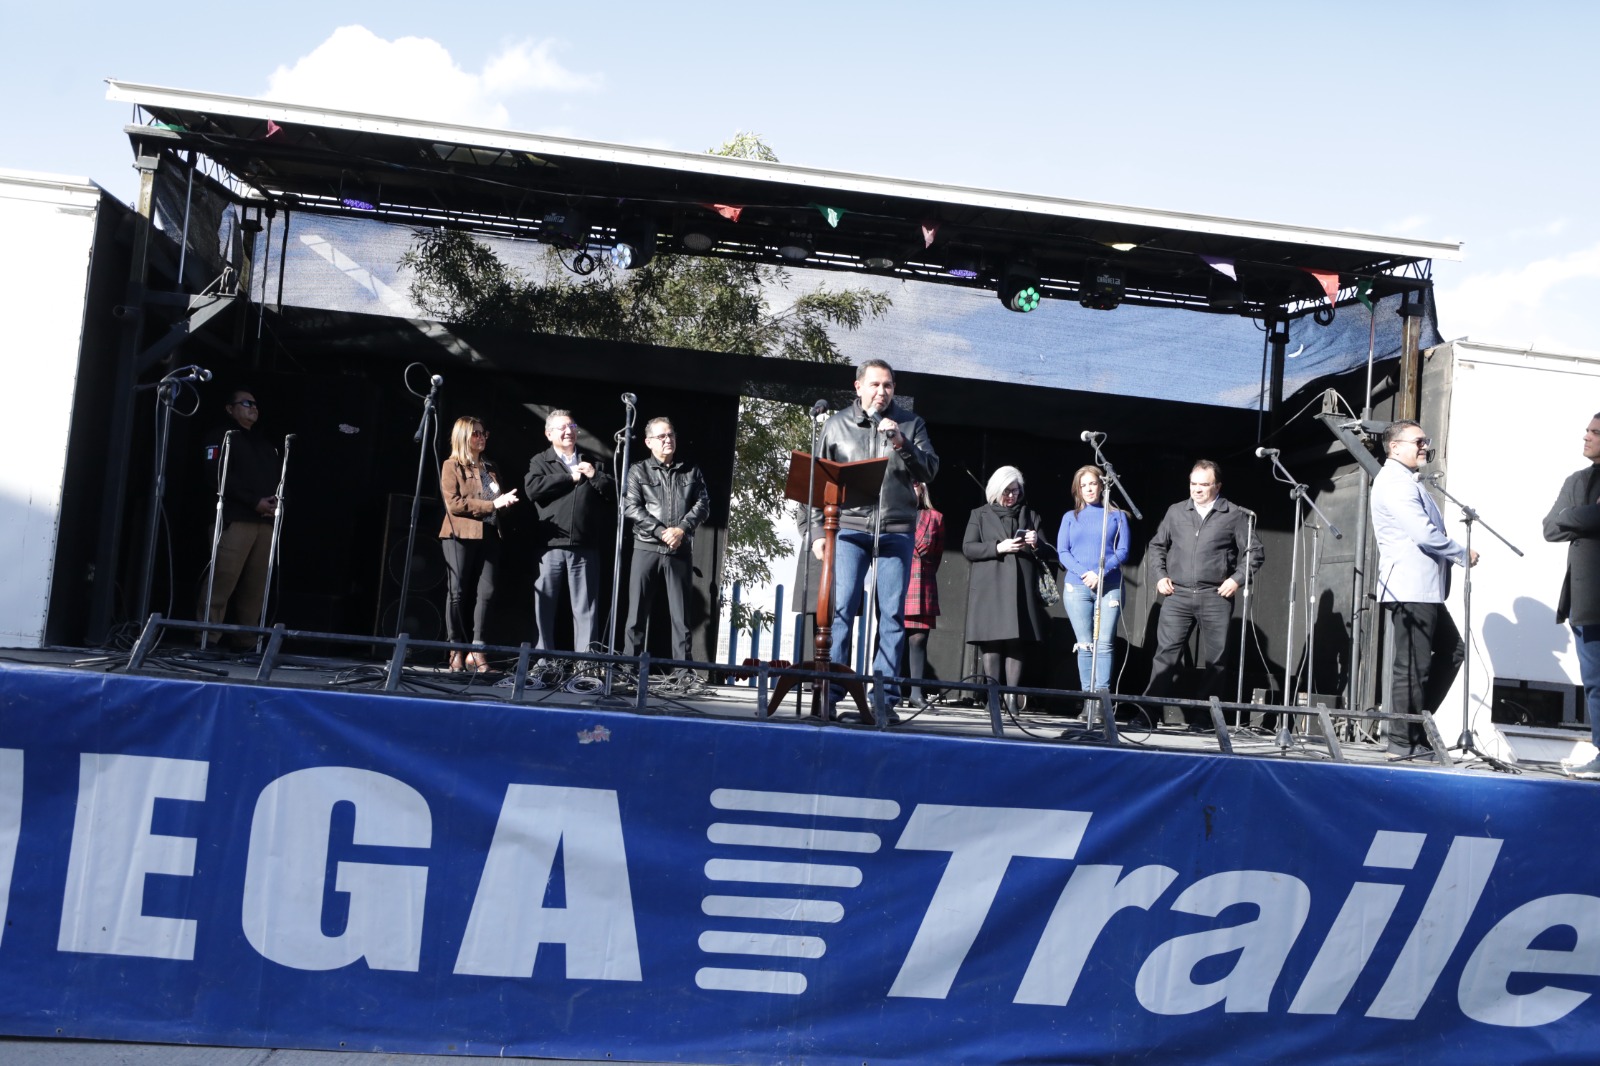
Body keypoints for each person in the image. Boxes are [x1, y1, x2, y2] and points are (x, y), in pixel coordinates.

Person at [808, 359, 939, 717]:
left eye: (888, 385)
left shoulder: (910, 424)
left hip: (896, 530)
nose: (882, 391)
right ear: (858, 386)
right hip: (849, 529)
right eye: (875, 384)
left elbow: (930, 469)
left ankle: (884, 700)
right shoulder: (836, 425)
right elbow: (818, 483)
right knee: (840, 612)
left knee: (893, 617)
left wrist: (901, 441)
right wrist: (817, 532)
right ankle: (829, 694)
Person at [1371, 420, 1477, 757]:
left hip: (1421, 589)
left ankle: (1414, 729)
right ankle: (1403, 740)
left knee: (1451, 651)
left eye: (1425, 441)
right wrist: (1461, 553)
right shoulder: (1395, 482)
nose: (1424, 447)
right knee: (1412, 665)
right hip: (1410, 588)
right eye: (1418, 441)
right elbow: (1423, 534)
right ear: (1394, 446)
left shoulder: (1406, 481)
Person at [1144, 459, 1263, 725]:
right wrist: (1160, 576)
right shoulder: (1176, 511)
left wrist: (1237, 579)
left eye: (1204, 485)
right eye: (1193, 484)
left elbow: (1254, 552)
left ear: (1217, 486)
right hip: (1178, 594)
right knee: (1165, 655)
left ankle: (1204, 718)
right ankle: (1148, 712)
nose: (1197, 489)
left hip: (1215, 596)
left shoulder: (1234, 514)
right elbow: (1157, 546)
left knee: (1216, 660)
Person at [623, 417, 710, 679]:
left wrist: (681, 529)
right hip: (647, 547)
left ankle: (683, 673)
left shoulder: (690, 470)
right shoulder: (638, 471)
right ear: (648, 442)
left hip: (679, 549)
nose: (668, 440)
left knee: (681, 617)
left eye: (670, 435)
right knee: (636, 614)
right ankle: (629, 669)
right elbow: (631, 507)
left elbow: (703, 505)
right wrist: (662, 532)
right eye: (661, 436)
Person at [525, 409, 614, 654]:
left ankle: (586, 666)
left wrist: (595, 476)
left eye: (572, 427)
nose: (569, 432)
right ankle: (543, 663)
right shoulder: (540, 461)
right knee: (543, 607)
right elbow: (532, 489)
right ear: (548, 434)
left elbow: (614, 493)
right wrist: (569, 478)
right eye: (562, 428)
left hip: (585, 547)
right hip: (550, 546)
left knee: (586, 609)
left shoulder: (592, 461)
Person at [198, 389, 279, 649]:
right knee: (223, 578)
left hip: (265, 523)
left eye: (255, 403)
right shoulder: (222, 437)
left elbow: (280, 479)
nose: (253, 407)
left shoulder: (265, 444)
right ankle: (207, 637)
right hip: (236, 520)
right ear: (229, 408)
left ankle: (247, 640)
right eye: (246, 402)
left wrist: (277, 502)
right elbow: (216, 475)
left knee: (256, 587)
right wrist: (253, 501)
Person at [963, 466, 1048, 711]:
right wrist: (998, 547)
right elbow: (968, 547)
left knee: (1016, 642)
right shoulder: (979, 514)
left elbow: (1047, 551)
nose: (1011, 496)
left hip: (1020, 588)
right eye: (1007, 491)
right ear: (996, 490)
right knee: (991, 642)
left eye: (1015, 491)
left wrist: (1036, 543)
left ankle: (1011, 699)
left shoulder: (1030, 515)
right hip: (990, 586)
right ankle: (993, 697)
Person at [439, 416, 519, 672]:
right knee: (457, 592)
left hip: (490, 534)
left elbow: (496, 503)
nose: (481, 437)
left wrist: (504, 503)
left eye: (484, 433)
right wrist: (492, 504)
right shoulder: (452, 465)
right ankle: (455, 649)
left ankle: (477, 651)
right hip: (459, 534)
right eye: (476, 433)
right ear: (463, 436)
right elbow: (454, 504)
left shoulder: (490, 466)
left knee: (487, 592)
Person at [1545, 415, 1600, 778]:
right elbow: (1551, 527)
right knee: (1595, 681)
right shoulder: (1577, 480)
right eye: (1588, 430)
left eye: (1595, 432)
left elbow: (1565, 520)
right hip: (1586, 600)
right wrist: (1586, 515)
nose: (1586, 436)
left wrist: (1572, 516)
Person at [1056, 464, 1131, 697]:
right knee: (1085, 644)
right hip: (1078, 587)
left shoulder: (1118, 516)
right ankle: (1088, 698)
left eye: (1092, 483)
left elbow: (1123, 550)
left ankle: (1102, 699)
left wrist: (1100, 572)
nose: (1088, 489)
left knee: (1105, 643)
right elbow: (1063, 552)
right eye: (1083, 485)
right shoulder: (1070, 517)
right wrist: (1085, 573)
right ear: (1077, 490)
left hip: (1109, 585)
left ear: (1102, 486)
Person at [903, 482, 944, 708]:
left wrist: (922, 573)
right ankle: (886, 690)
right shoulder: (892, 513)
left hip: (922, 581)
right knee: (890, 637)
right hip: (896, 579)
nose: (912, 488)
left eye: (916, 484)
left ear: (923, 488)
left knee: (918, 639)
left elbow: (937, 554)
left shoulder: (935, 518)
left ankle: (916, 693)